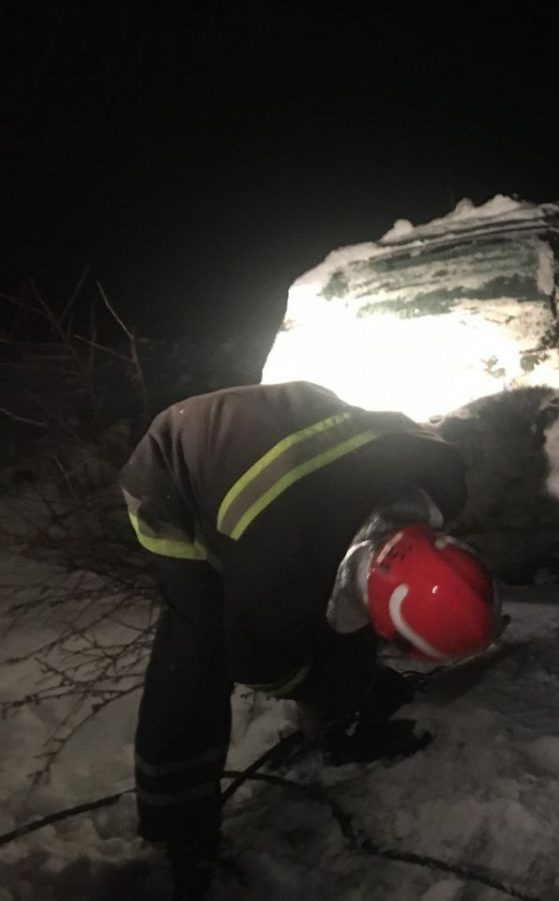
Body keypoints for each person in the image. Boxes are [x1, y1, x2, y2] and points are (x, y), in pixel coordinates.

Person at [120, 380, 501, 899]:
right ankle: (178, 825)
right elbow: (261, 664)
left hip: (274, 438)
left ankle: (342, 723)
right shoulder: (282, 570)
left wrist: (353, 673)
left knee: (335, 610)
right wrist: (337, 681)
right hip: (173, 467)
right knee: (197, 651)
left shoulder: (441, 476)